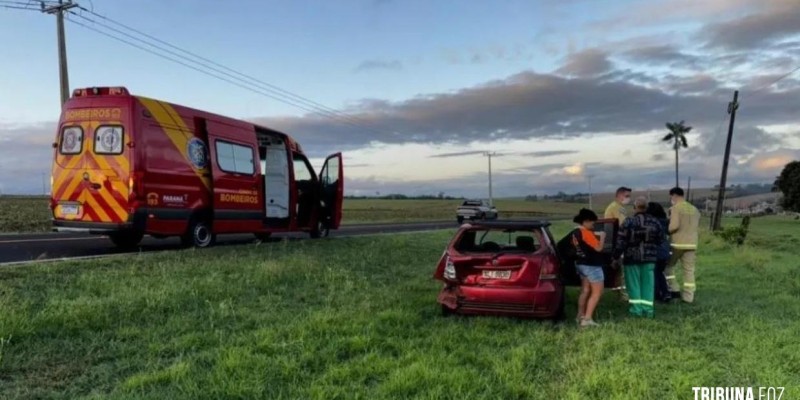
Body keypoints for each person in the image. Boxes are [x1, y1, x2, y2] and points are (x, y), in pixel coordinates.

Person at [614, 197, 665, 318]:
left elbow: (620, 241)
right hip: (650, 258)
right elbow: (661, 239)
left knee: (633, 285)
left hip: (632, 258)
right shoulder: (655, 222)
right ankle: (648, 311)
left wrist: (615, 256)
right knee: (648, 285)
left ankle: (636, 310)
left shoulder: (628, 221)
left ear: (635, 208)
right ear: (646, 208)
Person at [570, 208, 606, 327]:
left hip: (581, 264)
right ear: (585, 221)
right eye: (592, 222)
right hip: (592, 265)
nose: (593, 224)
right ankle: (587, 319)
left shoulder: (575, 232)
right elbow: (598, 248)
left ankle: (579, 315)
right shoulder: (587, 233)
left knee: (585, 291)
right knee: (597, 293)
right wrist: (603, 238)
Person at [665, 187, 700, 303]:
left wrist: (667, 227)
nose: (671, 199)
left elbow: (674, 226)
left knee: (668, 267)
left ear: (674, 195)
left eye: (671, 197)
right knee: (689, 270)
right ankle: (689, 297)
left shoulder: (676, 208)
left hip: (677, 243)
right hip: (692, 244)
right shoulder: (694, 209)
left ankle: (674, 288)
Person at [605, 186, 632, 302]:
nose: (628, 198)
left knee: (618, 270)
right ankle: (622, 294)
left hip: (617, 241)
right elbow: (623, 225)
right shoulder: (616, 208)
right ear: (619, 195)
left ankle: (617, 291)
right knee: (621, 269)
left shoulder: (619, 207)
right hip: (618, 241)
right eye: (626, 196)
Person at [646, 202, 672, 302]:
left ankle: (657, 294)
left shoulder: (652, 223)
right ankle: (665, 293)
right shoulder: (665, 222)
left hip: (655, 251)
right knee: (660, 273)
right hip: (665, 251)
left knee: (654, 273)